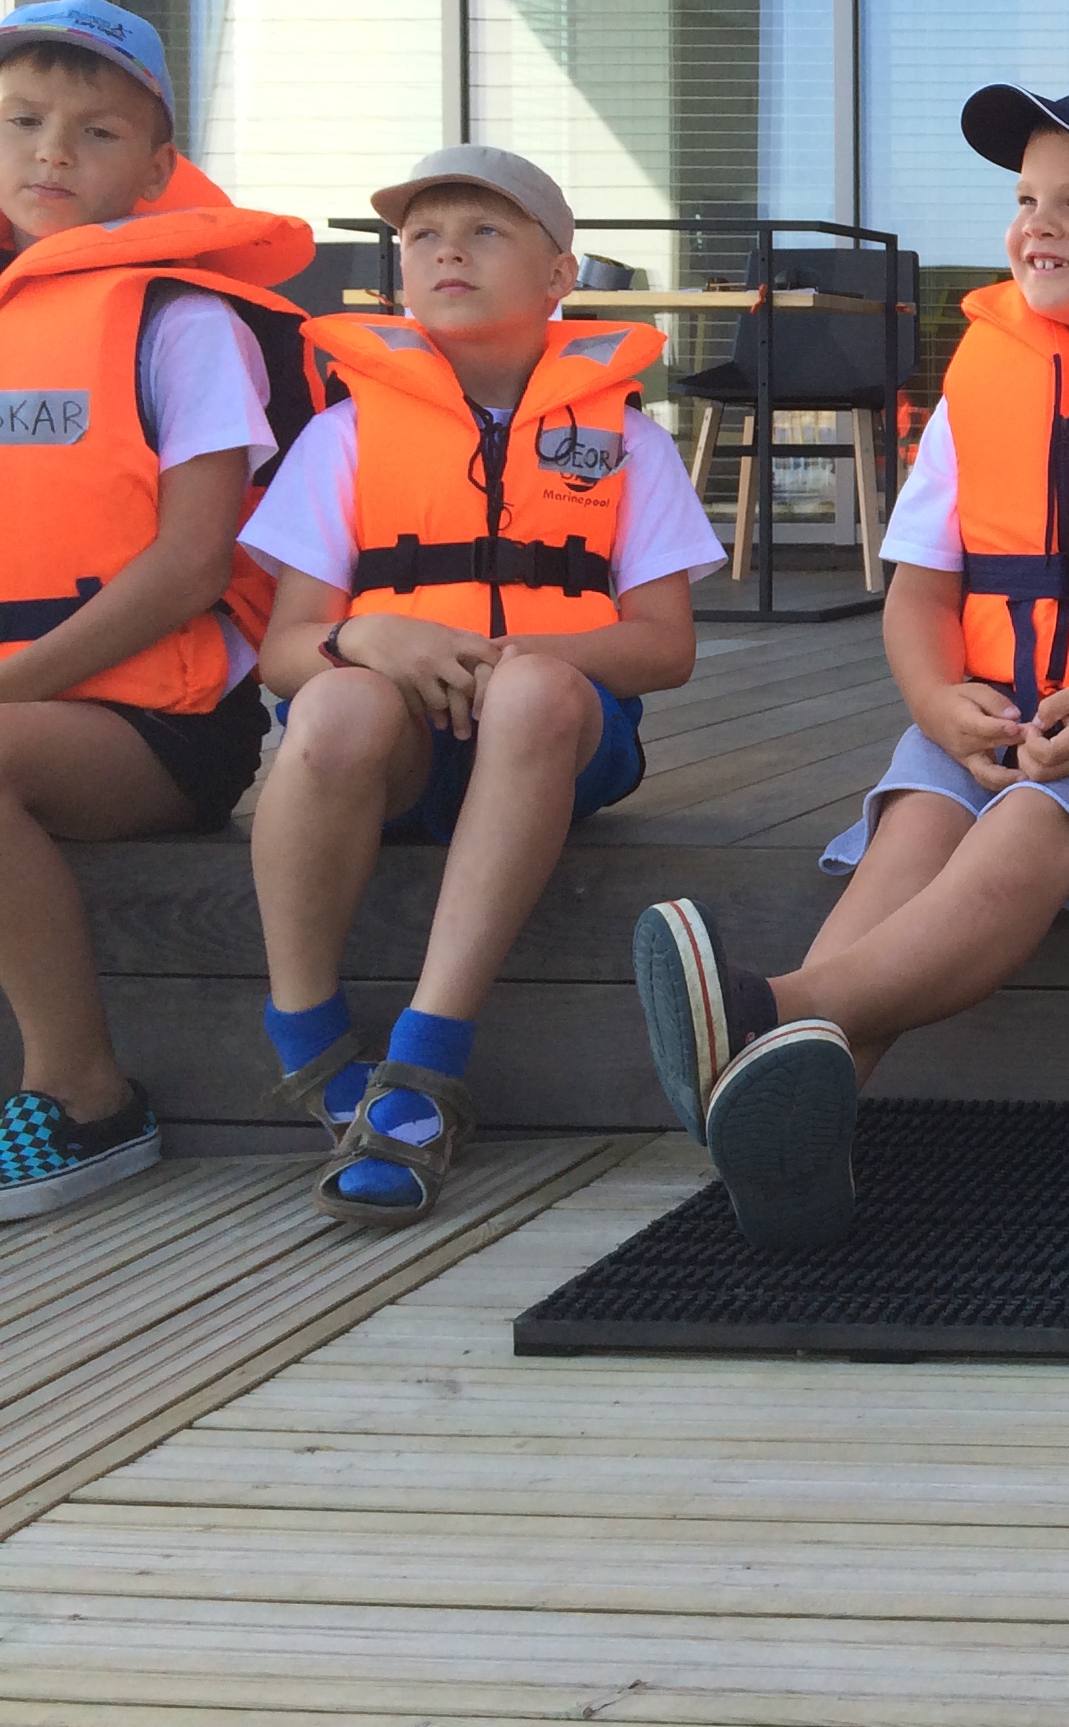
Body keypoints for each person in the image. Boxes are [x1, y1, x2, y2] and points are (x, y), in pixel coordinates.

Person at [635, 84, 1069, 1251]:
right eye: (1024, 199)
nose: (1036, 223)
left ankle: (767, 1013)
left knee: (1027, 829)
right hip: (992, 714)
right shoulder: (983, 380)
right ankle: (796, 1143)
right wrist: (933, 702)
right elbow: (921, 590)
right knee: (913, 830)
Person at [246, 145, 718, 1225]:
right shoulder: (345, 434)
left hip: (557, 742)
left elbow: (665, 647)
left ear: (560, 276)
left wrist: (509, 661)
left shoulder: (627, 441)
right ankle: (307, 1030)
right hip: (398, 752)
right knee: (334, 697)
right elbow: (284, 652)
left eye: (486, 231)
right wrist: (373, 635)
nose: (448, 251)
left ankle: (426, 1063)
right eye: (423, 236)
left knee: (535, 693)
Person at [0, 0, 311, 1221]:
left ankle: (87, 1100)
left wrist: (14, 683)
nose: (51, 154)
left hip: (160, 726)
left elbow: (191, 564)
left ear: (156, 164)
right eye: (22, 122)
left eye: (96, 131)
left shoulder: (183, 325)